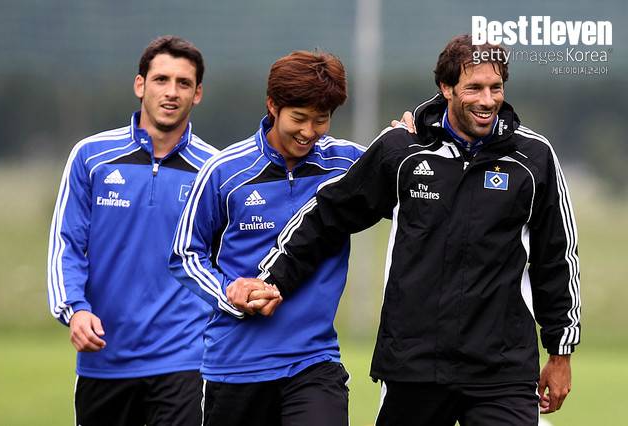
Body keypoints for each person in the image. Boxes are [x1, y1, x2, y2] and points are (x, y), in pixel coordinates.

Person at [257, 34, 581, 425]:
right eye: (474, 88)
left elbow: (556, 257)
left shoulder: (533, 157)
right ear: (446, 87)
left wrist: (560, 351)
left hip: (501, 370)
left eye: (496, 87)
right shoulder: (403, 150)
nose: (487, 100)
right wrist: (274, 280)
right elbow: (328, 215)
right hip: (413, 365)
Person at [169, 50, 370, 426]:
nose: (309, 131)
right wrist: (228, 293)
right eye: (299, 118)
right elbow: (185, 254)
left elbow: (405, 170)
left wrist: (411, 135)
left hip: (314, 362)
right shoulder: (224, 171)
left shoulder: (347, 165)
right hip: (235, 367)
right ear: (273, 105)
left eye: (321, 119)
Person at [47, 35, 218, 426]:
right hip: (104, 356)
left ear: (197, 94)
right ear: (140, 85)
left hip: (186, 359)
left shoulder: (215, 169)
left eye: (183, 83)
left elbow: (224, 260)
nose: (171, 92)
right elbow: (67, 244)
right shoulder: (91, 157)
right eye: (161, 80)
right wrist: (75, 309)